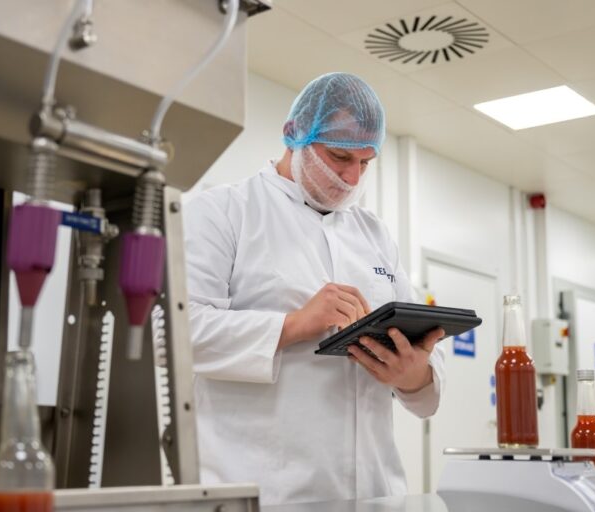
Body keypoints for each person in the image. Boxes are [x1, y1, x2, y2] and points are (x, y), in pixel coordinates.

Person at [183, 72, 446, 506]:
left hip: (376, 493)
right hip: (267, 495)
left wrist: (414, 375)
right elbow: (174, 334)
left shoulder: (374, 234)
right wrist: (292, 325)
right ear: (294, 134)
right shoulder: (223, 212)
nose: (351, 177)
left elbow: (424, 385)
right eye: (340, 156)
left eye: (366, 163)